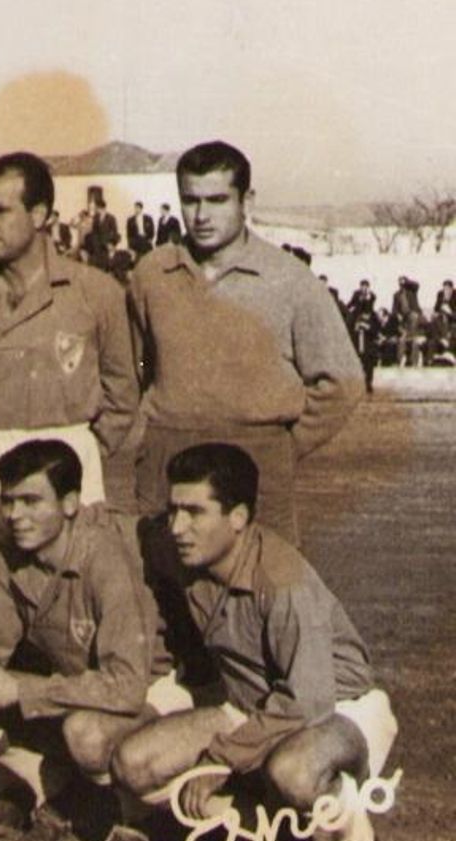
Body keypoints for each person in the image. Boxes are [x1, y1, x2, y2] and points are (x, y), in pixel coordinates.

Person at [109, 444, 397, 841]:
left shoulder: (282, 576)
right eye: (173, 511)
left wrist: (220, 759)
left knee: (294, 772)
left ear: (238, 517)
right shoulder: (179, 549)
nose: (178, 527)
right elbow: (117, 530)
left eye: (194, 513)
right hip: (253, 702)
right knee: (133, 764)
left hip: (335, 708)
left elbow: (308, 699)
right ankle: (261, 834)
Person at [0, 440, 183, 841]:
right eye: (8, 501)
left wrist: (18, 689)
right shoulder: (10, 557)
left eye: (32, 501)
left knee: (85, 733)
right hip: (84, 683)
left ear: (70, 504)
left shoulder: (105, 557)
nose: (15, 516)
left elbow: (127, 684)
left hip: (157, 687)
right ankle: (51, 795)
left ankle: (137, 824)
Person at [129, 141, 363, 543]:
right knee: (159, 588)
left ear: (246, 200)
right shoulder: (151, 274)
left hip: (255, 462)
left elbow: (342, 381)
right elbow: (135, 368)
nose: (201, 215)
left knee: (260, 590)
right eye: (191, 201)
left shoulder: (290, 279)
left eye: (217, 200)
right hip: (168, 458)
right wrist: (147, 437)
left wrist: (283, 449)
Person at [0, 152, 136, 591]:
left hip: (65, 457)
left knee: (70, 603)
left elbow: (123, 392)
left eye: (1, 211)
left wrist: (78, 452)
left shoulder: (94, 293)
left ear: (40, 214)